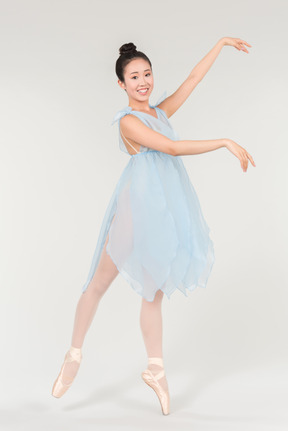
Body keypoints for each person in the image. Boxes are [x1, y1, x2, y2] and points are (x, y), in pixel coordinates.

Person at [52, 38, 255, 415]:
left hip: (160, 211)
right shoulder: (129, 121)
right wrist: (225, 141)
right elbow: (172, 149)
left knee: (154, 290)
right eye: (134, 77)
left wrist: (221, 44)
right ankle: (74, 354)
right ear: (122, 84)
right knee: (98, 284)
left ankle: (156, 369)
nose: (143, 81)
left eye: (147, 74)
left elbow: (192, 80)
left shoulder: (159, 112)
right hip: (134, 211)